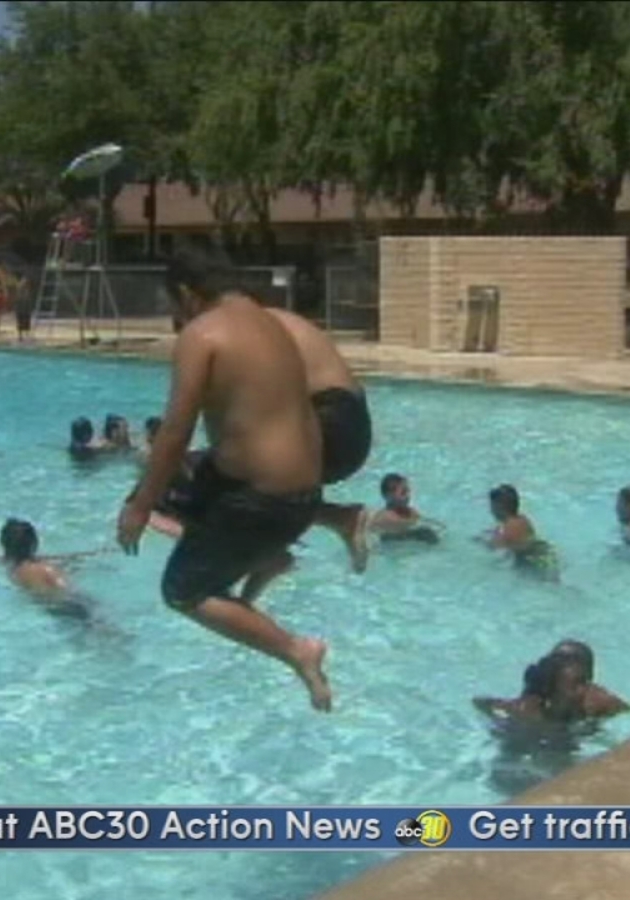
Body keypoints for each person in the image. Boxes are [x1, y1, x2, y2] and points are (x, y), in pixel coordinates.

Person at [117, 246, 332, 712]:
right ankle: (270, 558)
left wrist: (140, 505)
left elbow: (174, 432)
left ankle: (298, 651)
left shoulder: (203, 333)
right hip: (302, 496)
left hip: (261, 501)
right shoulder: (273, 323)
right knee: (188, 492)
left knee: (183, 590)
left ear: (187, 295)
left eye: (174, 307)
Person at [263, 307, 376, 573]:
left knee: (226, 480)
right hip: (353, 427)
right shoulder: (277, 319)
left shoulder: (239, 329)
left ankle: (271, 554)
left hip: (332, 427)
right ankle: (337, 518)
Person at [473, 640, 630, 726]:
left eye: (586, 682)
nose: (585, 690)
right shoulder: (521, 713)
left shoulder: (593, 703)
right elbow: (482, 703)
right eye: (577, 684)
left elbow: (626, 711)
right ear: (552, 689)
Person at [0, 518, 103, 620]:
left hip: (50, 608)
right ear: (34, 544)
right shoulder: (46, 569)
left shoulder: (11, 568)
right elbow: (67, 588)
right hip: (69, 603)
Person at [484, 484, 560, 582]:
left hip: (531, 561)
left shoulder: (507, 529)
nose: (491, 510)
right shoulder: (523, 520)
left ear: (498, 507)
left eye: (492, 506)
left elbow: (495, 549)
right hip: (543, 554)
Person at [371, 473, 441, 545]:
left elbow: (421, 520)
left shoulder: (410, 511)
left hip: (403, 538)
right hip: (390, 544)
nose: (408, 495)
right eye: (403, 493)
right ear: (388, 496)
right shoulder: (385, 516)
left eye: (408, 491)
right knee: (425, 533)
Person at [13, 274, 34, 342]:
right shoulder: (18, 289)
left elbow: (28, 299)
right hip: (20, 307)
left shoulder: (27, 289)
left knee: (26, 321)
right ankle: (20, 336)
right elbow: (17, 299)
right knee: (20, 321)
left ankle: (26, 335)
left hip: (25, 307)